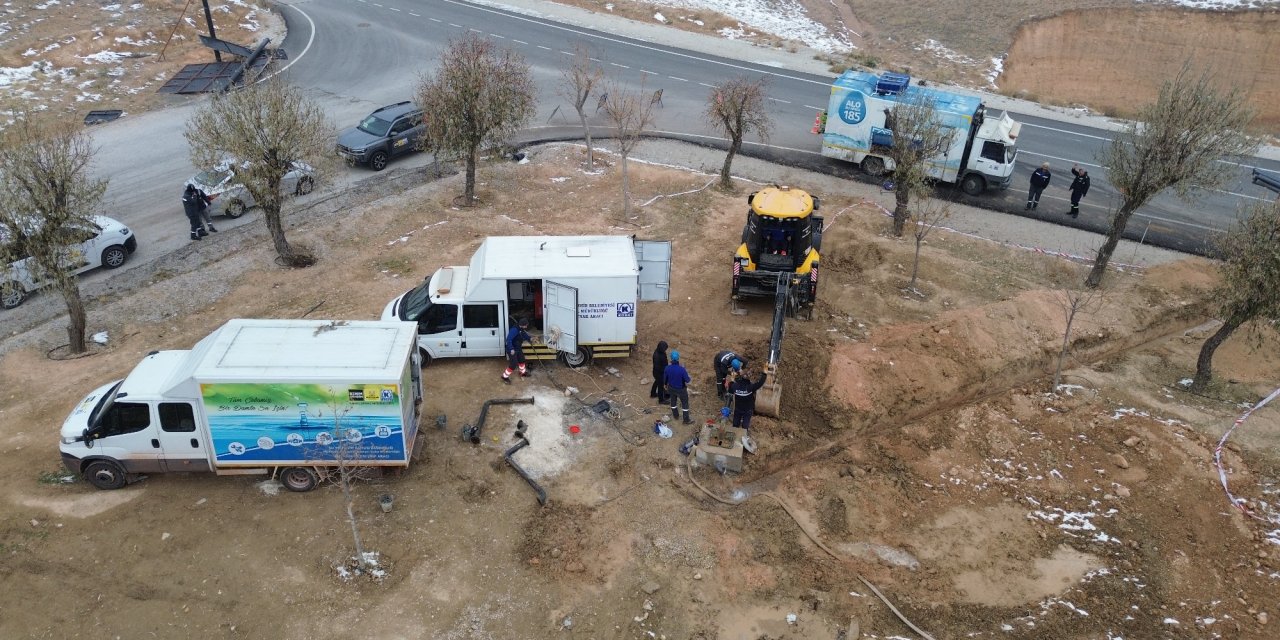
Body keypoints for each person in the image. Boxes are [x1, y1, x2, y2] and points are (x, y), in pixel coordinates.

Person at [664, 350, 692, 424]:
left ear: (671, 358)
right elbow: (688, 380)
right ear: (678, 358)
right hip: (681, 390)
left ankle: (675, 415)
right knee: (685, 404)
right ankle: (686, 420)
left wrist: (665, 385)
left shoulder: (667, 368)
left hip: (671, 388)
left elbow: (665, 379)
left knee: (673, 401)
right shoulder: (682, 369)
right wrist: (687, 375)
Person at [502, 318, 532, 383]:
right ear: (522, 325)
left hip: (518, 348)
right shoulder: (514, 330)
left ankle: (522, 372)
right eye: (525, 325)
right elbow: (508, 339)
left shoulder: (521, 329)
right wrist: (511, 349)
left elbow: (524, 335)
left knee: (522, 360)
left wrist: (530, 339)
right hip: (512, 349)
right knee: (513, 364)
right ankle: (505, 376)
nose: (526, 327)